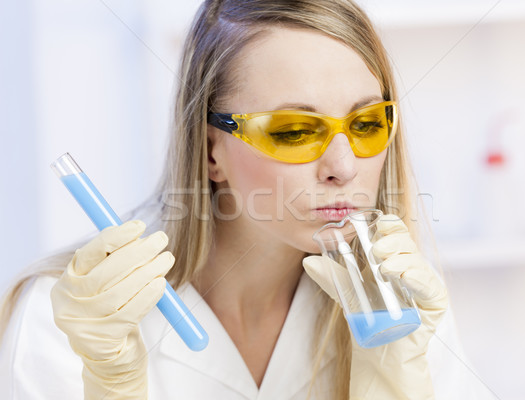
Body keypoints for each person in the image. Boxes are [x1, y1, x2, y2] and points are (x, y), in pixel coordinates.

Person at [0, 1, 494, 399]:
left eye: (366, 124)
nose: (343, 167)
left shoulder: (399, 301)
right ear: (211, 148)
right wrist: (111, 390)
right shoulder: (72, 317)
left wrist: (393, 386)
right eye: (296, 130)